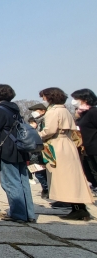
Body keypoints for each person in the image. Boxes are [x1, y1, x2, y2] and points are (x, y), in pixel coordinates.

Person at [38, 87, 93, 220]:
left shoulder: (53, 112)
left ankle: (78, 208)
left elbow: (49, 130)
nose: (43, 99)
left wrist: (36, 136)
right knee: (72, 177)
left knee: (66, 178)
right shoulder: (65, 110)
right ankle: (79, 207)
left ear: (49, 97)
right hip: (67, 144)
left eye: (44, 96)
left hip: (58, 144)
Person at [0, 84, 35, 223]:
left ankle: (18, 213)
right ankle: (29, 213)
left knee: (10, 181)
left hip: (7, 148)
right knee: (23, 181)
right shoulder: (15, 108)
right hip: (19, 147)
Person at [71, 88, 97, 196]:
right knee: (91, 173)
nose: (74, 101)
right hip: (87, 148)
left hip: (94, 146)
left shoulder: (93, 112)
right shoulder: (83, 114)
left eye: (76, 98)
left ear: (85, 99)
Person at [28, 103, 50, 199]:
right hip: (35, 153)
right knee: (37, 172)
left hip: (42, 151)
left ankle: (47, 188)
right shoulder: (41, 121)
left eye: (36, 110)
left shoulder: (46, 120)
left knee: (42, 173)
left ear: (42, 110)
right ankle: (45, 188)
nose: (34, 113)